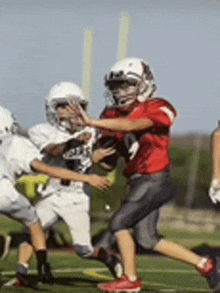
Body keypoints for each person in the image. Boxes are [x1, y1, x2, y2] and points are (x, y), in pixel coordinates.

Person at [68, 57, 220, 292]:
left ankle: (130, 280)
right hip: (137, 181)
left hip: (156, 179)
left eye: (126, 85)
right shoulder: (110, 115)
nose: (120, 91)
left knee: (118, 223)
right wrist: (96, 157)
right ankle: (206, 265)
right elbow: (110, 163)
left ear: (143, 84)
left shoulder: (158, 106)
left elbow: (132, 125)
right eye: (116, 86)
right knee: (147, 239)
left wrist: (90, 122)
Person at [15, 81, 123, 287]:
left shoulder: (93, 133)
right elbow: (53, 151)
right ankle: (22, 273)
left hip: (77, 197)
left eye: (75, 106)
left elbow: (109, 166)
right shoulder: (41, 131)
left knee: (84, 250)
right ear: (52, 109)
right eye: (63, 106)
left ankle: (108, 258)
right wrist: (75, 141)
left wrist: (102, 159)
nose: (69, 111)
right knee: (31, 229)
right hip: (52, 193)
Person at [0, 105, 110, 288]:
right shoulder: (16, 143)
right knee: (34, 223)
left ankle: (23, 270)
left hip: (69, 198)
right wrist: (86, 177)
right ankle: (42, 266)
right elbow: (48, 169)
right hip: (5, 193)